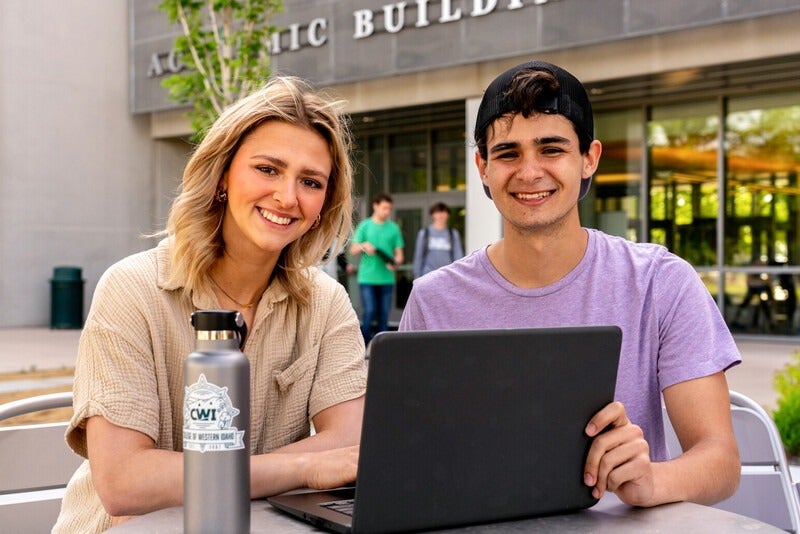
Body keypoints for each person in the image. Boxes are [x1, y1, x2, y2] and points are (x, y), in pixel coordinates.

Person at [399, 60, 741, 508]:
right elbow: (405, 462)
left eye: (551, 149)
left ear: (589, 159)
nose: (529, 172)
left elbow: (720, 460)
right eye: (508, 153)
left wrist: (652, 481)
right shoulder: (433, 300)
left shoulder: (659, 282)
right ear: (482, 167)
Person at [53, 76, 367, 532]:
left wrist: (191, 475)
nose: (287, 196)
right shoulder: (133, 289)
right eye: (267, 169)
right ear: (223, 175)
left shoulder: (326, 303)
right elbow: (126, 484)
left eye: (311, 182)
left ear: (324, 203)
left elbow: (351, 444)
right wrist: (303, 468)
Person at [349, 192, 404, 345]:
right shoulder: (365, 226)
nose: (387, 212)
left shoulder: (393, 228)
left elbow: (399, 255)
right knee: (369, 311)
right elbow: (353, 249)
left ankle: (382, 347)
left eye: (389, 209)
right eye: (384, 208)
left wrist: (395, 262)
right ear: (375, 206)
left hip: (387, 278)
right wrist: (363, 245)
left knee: (384, 314)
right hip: (367, 278)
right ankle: (362, 346)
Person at [412, 202, 465, 279]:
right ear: (432, 214)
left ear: (448, 215)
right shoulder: (424, 233)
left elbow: (458, 256)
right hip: (428, 276)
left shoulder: (453, 234)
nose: (440, 215)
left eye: (443, 212)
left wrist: (459, 275)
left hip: (448, 276)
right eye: (437, 212)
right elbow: (419, 256)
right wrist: (416, 276)